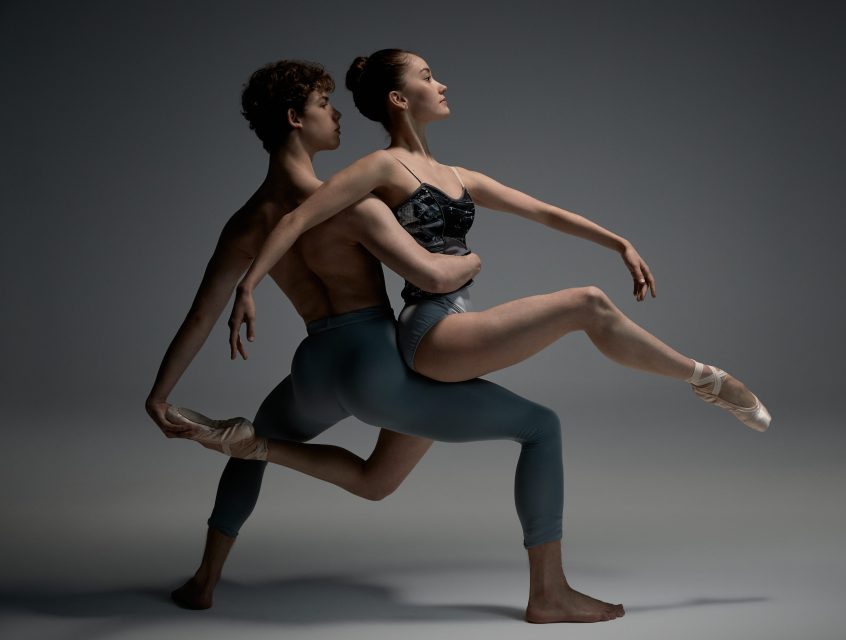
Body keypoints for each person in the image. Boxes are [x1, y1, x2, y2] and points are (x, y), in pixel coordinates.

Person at [150, 59, 624, 623]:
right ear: (294, 119)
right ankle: (550, 593)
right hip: (377, 368)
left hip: (313, 370)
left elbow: (202, 315)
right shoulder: (357, 205)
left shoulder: (247, 222)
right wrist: (472, 258)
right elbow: (434, 277)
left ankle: (203, 583)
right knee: (540, 427)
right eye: (324, 105)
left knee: (258, 443)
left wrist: (160, 394)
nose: (337, 113)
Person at [227, 49, 771, 432]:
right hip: (430, 330)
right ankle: (709, 380)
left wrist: (618, 242)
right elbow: (297, 221)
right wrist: (248, 286)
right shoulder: (380, 167)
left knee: (380, 482)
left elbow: (544, 212)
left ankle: (705, 380)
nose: (440, 85)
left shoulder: (460, 175)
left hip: (459, 318)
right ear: (398, 97)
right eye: (427, 75)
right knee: (587, 303)